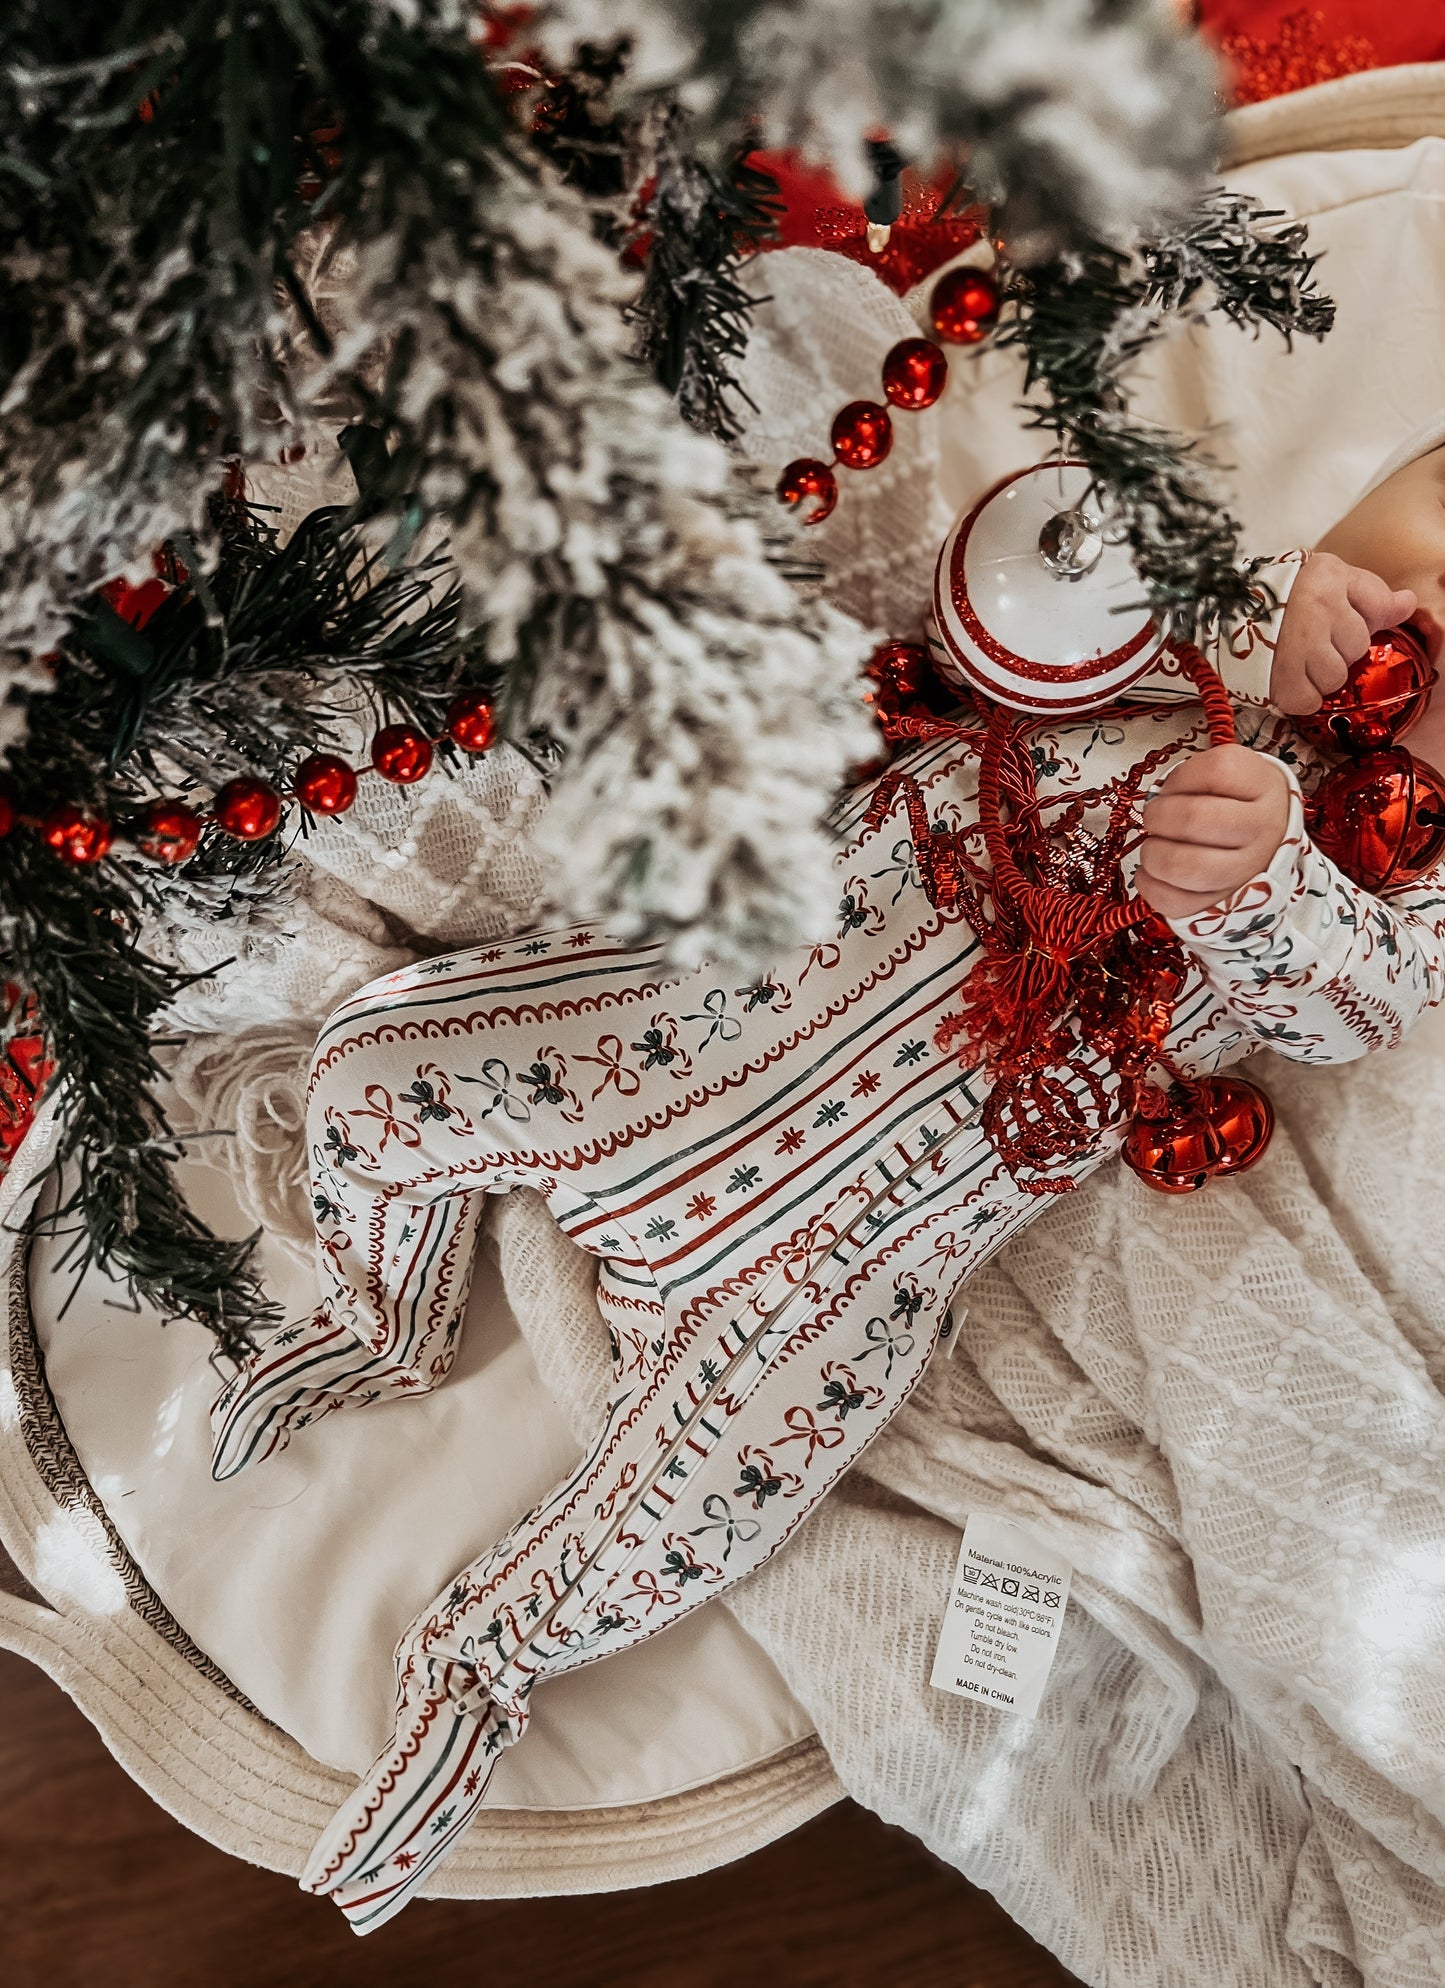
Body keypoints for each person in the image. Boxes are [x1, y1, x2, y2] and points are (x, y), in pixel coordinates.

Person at [206, 451, 1445, 1923]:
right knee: (372, 1073)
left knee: (718, 1484)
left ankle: (478, 1668)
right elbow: (1028, 577)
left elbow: (1358, 1004)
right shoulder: (1228, 626)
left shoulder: (1404, 888)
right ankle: (382, 1312)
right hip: (694, 1016)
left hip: (860, 1238)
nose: (1425, 603)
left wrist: (1271, 888)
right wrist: (1249, 605)